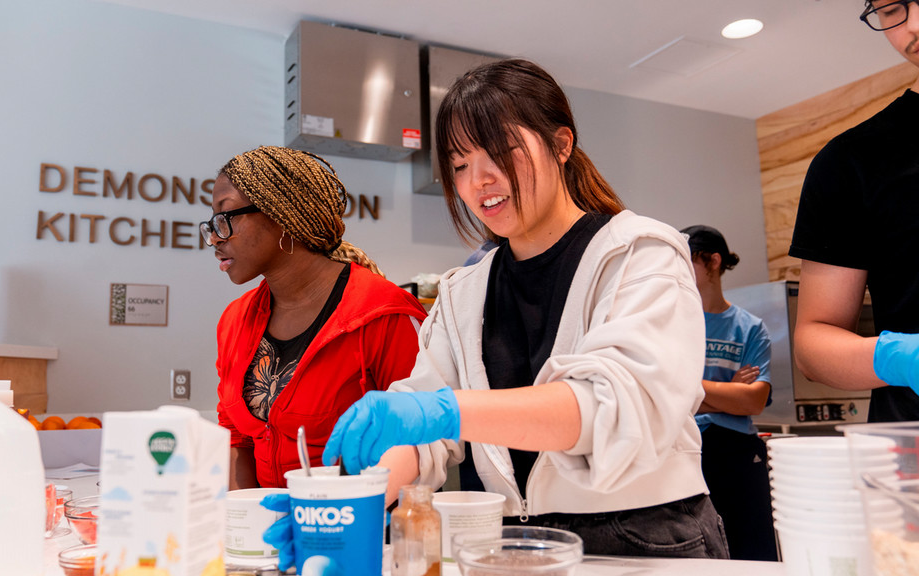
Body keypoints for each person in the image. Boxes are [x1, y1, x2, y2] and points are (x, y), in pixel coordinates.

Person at [262, 59, 729, 566]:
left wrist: (447, 410)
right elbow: (424, 436)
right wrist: (354, 500)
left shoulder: (639, 253)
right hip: (514, 544)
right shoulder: (463, 291)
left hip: (647, 538)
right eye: (460, 165)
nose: (479, 180)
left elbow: (612, 408)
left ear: (562, 144)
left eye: (502, 152)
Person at [204, 146, 428, 489]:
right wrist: (248, 516)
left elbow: (419, 444)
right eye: (212, 224)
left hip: (362, 518)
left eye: (226, 218)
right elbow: (236, 436)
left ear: (281, 213)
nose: (214, 238)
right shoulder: (235, 320)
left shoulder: (385, 314)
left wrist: (330, 515)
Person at [789, 0, 919, 422]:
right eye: (891, 9)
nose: (914, 25)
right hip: (908, 443)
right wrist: (901, 357)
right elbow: (812, 344)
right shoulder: (851, 160)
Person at [682, 225, 777, 562]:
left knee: (753, 553)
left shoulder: (750, 327)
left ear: (713, 261)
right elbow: (664, 393)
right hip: (687, 448)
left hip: (738, 451)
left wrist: (692, 389)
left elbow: (753, 400)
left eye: (688, 261)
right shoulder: (675, 323)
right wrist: (730, 391)